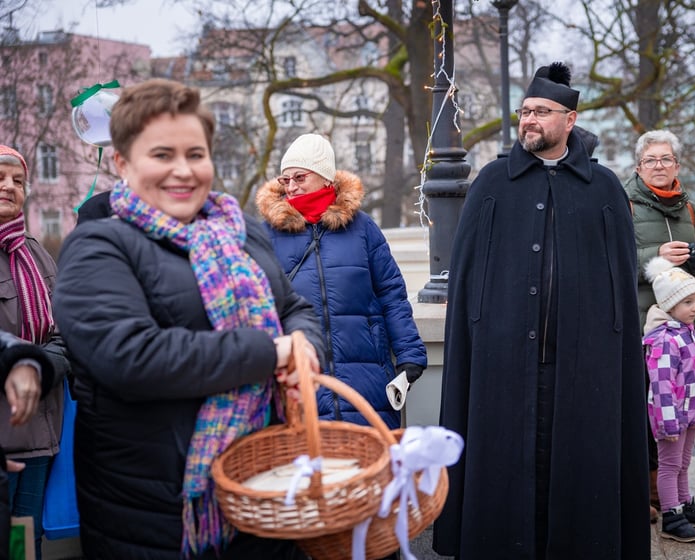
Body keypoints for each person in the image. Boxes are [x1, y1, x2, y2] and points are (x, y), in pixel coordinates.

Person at [52, 79, 325, 560]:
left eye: (195, 154)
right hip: (158, 519)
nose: (183, 171)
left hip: (265, 491)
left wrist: (305, 347)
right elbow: (131, 357)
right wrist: (268, 353)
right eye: (162, 155)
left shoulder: (239, 233)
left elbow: (293, 308)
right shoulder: (98, 246)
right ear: (121, 162)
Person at [433, 62, 650, 559]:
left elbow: (620, 288)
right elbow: (466, 282)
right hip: (503, 369)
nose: (528, 120)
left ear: (569, 121)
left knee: (579, 471)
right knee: (506, 471)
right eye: (524, 111)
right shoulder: (491, 184)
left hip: (582, 371)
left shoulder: (603, 189)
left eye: (541, 112)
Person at [256, 133, 427, 430]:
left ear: (324, 178)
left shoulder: (362, 228)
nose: (292, 186)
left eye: (300, 177)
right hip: (302, 380)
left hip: (368, 379)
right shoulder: (269, 234)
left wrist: (410, 354)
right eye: (285, 180)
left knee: (370, 467)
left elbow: (391, 294)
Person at [624, 129, 695, 521]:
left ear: (677, 165)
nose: (658, 166)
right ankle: (644, 492)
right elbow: (614, 257)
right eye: (651, 160)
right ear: (639, 166)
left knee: (678, 408)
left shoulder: (688, 207)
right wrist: (656, 255)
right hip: (641, 325)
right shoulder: (625, 204)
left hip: (682, 332)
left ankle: (672, 493)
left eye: (666, 159)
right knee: (647, 409)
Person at [0, 145, 70, 560]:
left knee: (24, 547)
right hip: (3, 442)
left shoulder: (36, 254)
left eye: (17, 180)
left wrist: (40, 367)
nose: (8, 187)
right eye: (0, 178)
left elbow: (64, 336)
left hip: (40, 439)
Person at [643, 257, 695, 543]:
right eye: (688, 302)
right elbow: (661, 386)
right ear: (669, 305)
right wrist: (668, 423)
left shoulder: (688, 333)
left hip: (691, 414)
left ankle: (685, 504)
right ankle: (672, 518)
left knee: (684, 464)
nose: (694, 308)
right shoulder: (663, 339)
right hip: (672, 418)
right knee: (670, 466)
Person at [0, 330, 55, 560]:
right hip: (6, 436)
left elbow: (62, 340)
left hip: (39, 433)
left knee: (25, 541)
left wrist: (31, 365)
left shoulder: (49, 293)